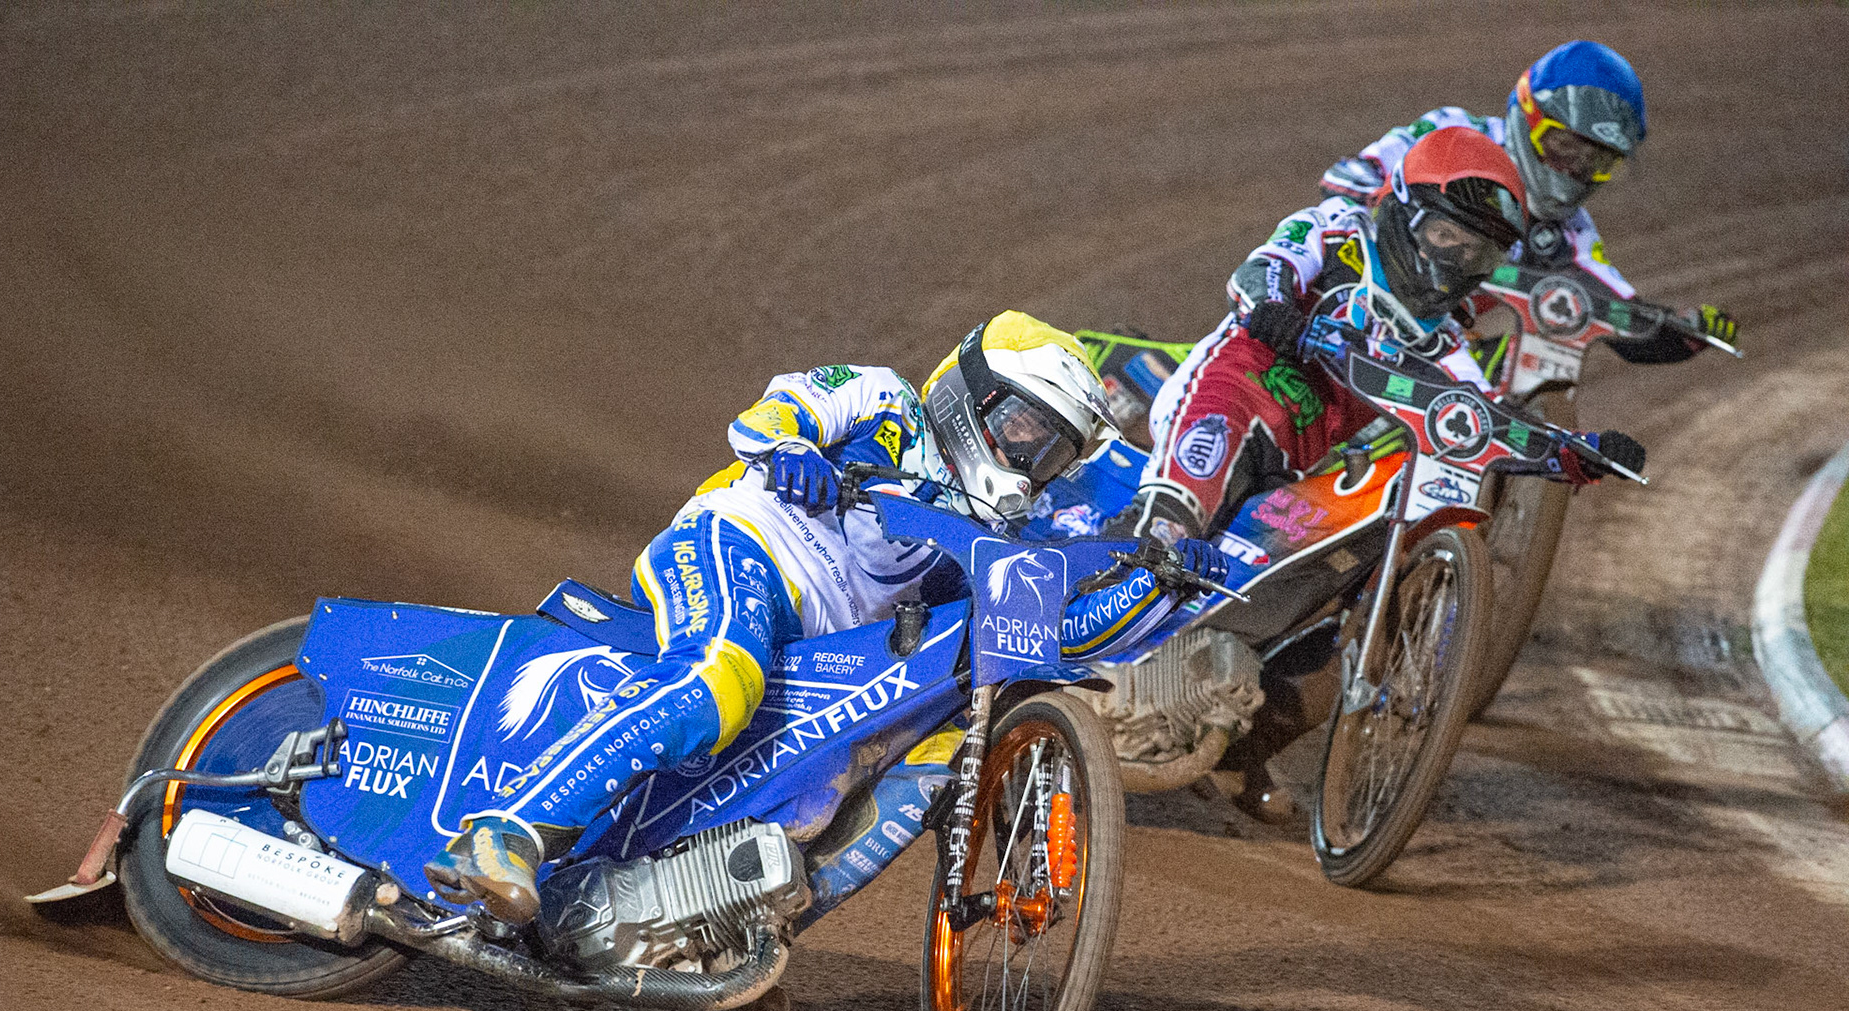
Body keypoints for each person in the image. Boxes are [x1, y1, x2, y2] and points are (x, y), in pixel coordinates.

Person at [427, 311, 1226, 923]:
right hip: (743, 546)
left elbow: (1054, 636)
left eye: (1054, 451)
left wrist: (1165, 579)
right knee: (720, 677)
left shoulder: (997, 537)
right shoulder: (886, 401)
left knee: (917, 740)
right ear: (973, 396)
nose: (1032, 458)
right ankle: (509, 832)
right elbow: (772, 416)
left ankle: (721, 926)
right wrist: (795, 453)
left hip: (826, 644)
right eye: (1026, 428)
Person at [1114, 125, 1646, 547]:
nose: (1454, 261)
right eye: (1444, 236)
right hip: (1228, 401)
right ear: (1403, 213)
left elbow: (1479, 419)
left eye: (1474, 253)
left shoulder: (1444, 343)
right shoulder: (1338, 231)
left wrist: (1572, 453)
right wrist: (1276, 309)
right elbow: (1266, 267)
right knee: (1167, 535)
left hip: (1298, 474)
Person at [1320, 39, 1737, 364]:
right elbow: (1345, 179)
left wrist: (1683, 332)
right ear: (1527, 115)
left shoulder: (1567, 237)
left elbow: (1617, 315)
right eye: (1565, 148)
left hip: (1427, 336)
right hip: (1340, 300)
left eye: (1597, 162)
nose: (1574, 172)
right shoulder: (1451, 133)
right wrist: (1391, 208)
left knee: (1524, 364)